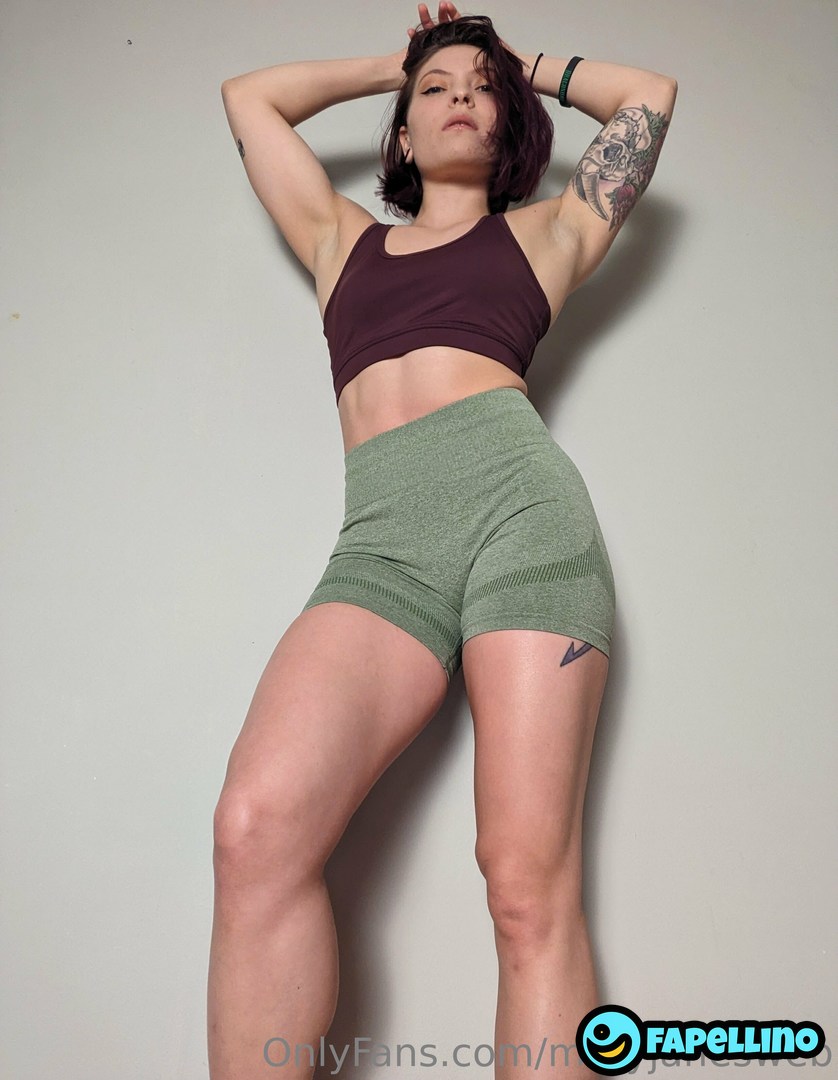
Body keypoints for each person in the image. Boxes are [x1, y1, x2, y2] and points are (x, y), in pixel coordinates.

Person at [209, 4, 677, 1077]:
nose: (461, 96)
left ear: (508, 119)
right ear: (402, 130)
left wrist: (513, 62)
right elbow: (249, 100)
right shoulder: (339, 241)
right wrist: (404, 61)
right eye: (437, 91)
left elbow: (648, 97)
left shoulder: (549, 233)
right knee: (255, 829)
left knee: (525, 884)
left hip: (523, 517)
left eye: (481, 89)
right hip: (385, 547)